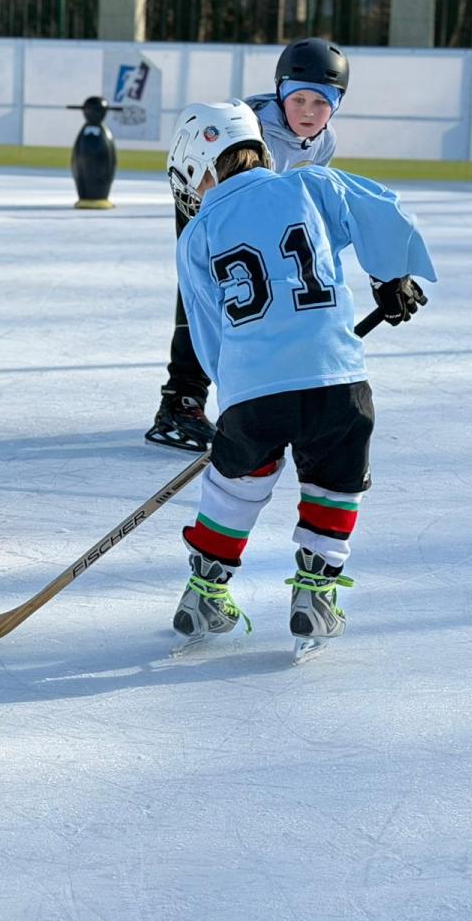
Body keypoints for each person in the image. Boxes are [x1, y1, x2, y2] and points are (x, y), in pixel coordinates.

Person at [165, 99, 435, 657]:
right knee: (335, 483)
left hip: (254, 394)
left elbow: (205, 328)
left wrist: (234, 389)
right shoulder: (313, 185)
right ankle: (316, 596)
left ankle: (203, 596)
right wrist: (391, 276)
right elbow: (384, 212)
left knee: (234, 488)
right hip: (338, 380)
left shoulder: (197, 234)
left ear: (199, 166)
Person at [145, 37, 350, 453]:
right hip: (206, 198)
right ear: (280, 93)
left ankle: (262, 393)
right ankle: (180, 402)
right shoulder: (254, 127)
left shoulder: (325, 142)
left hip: (255, 214)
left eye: (321, 102)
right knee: (204, 296)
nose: (309, 112)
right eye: (299, 100)